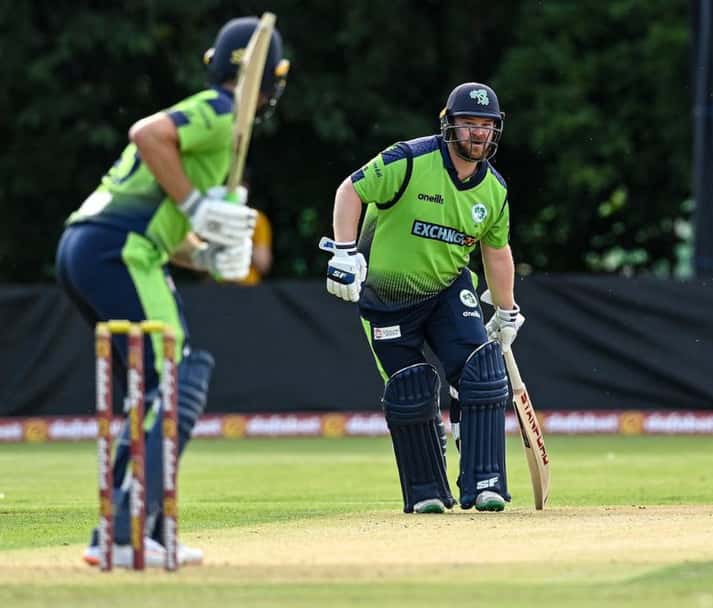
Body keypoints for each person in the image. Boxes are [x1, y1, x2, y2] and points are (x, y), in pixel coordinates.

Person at [56, 17, 290, 567]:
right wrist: (195, 205)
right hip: (120, 250)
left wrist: (202, 253)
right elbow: (147, 132)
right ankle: (125, 530)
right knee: (177, 377)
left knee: (152, 391)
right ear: (272, 80)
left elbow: (162, 220)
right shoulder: (223, 109)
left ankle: (138, 528)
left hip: (93, 245)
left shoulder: (223, 126)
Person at [321, 82, 523, 514]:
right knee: (410, 390)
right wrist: (343, 250)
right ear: (449, 124)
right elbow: (349, 191)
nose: (478, 134)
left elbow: (496, 250)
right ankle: (427, 491)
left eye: (487, 126)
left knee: (481, 372)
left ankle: (485, 483)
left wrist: (506, 312)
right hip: (386, 296)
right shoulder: (409, 160)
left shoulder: (495, 191)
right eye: (469, 124)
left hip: (448, 289)